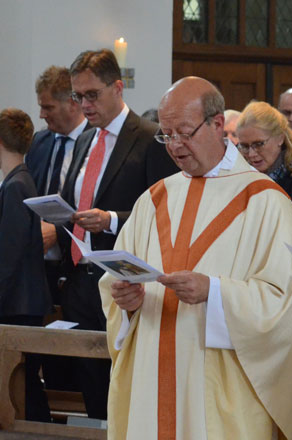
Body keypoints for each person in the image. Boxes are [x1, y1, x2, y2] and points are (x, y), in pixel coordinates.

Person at [99, 76, 292, 439]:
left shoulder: (265, 202)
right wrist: (126, 302)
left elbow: (286, 303)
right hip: (153, 383)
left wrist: (214, 293)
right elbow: (115, 281)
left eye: (184, 132)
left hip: (221, 395)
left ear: (218, 125)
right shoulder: (153, 201)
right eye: (166, 135)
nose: (175, 146)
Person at [52, 49, 179, 419]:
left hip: (126, 282)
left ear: (118, 87)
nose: (84, 104)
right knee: (89, 381)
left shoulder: (149, 138)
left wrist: (111, 220)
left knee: (126, 381)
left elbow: (164, 214)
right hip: (80, 280)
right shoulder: (84, 140)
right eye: (78, 96)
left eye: (92, 95)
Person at [0, 108, 53, 422]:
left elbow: (9, 256)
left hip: (18, 302)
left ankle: (39, 430)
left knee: (24, 382)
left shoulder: (17, 184)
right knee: (23, 381)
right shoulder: (18, 180)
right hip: (19, 299)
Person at [27, 66, 88, 304]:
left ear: (73, 103)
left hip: (77, 265)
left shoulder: (95, 142)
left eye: (48, 107)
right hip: (39, 264)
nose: (41, 114)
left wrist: (59, 232)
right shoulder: (39, 142)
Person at [235, 101, 292, 253]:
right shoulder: (239, 183)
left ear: (280, 138)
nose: (251, 154)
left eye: (259, 144)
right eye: (244, 146)